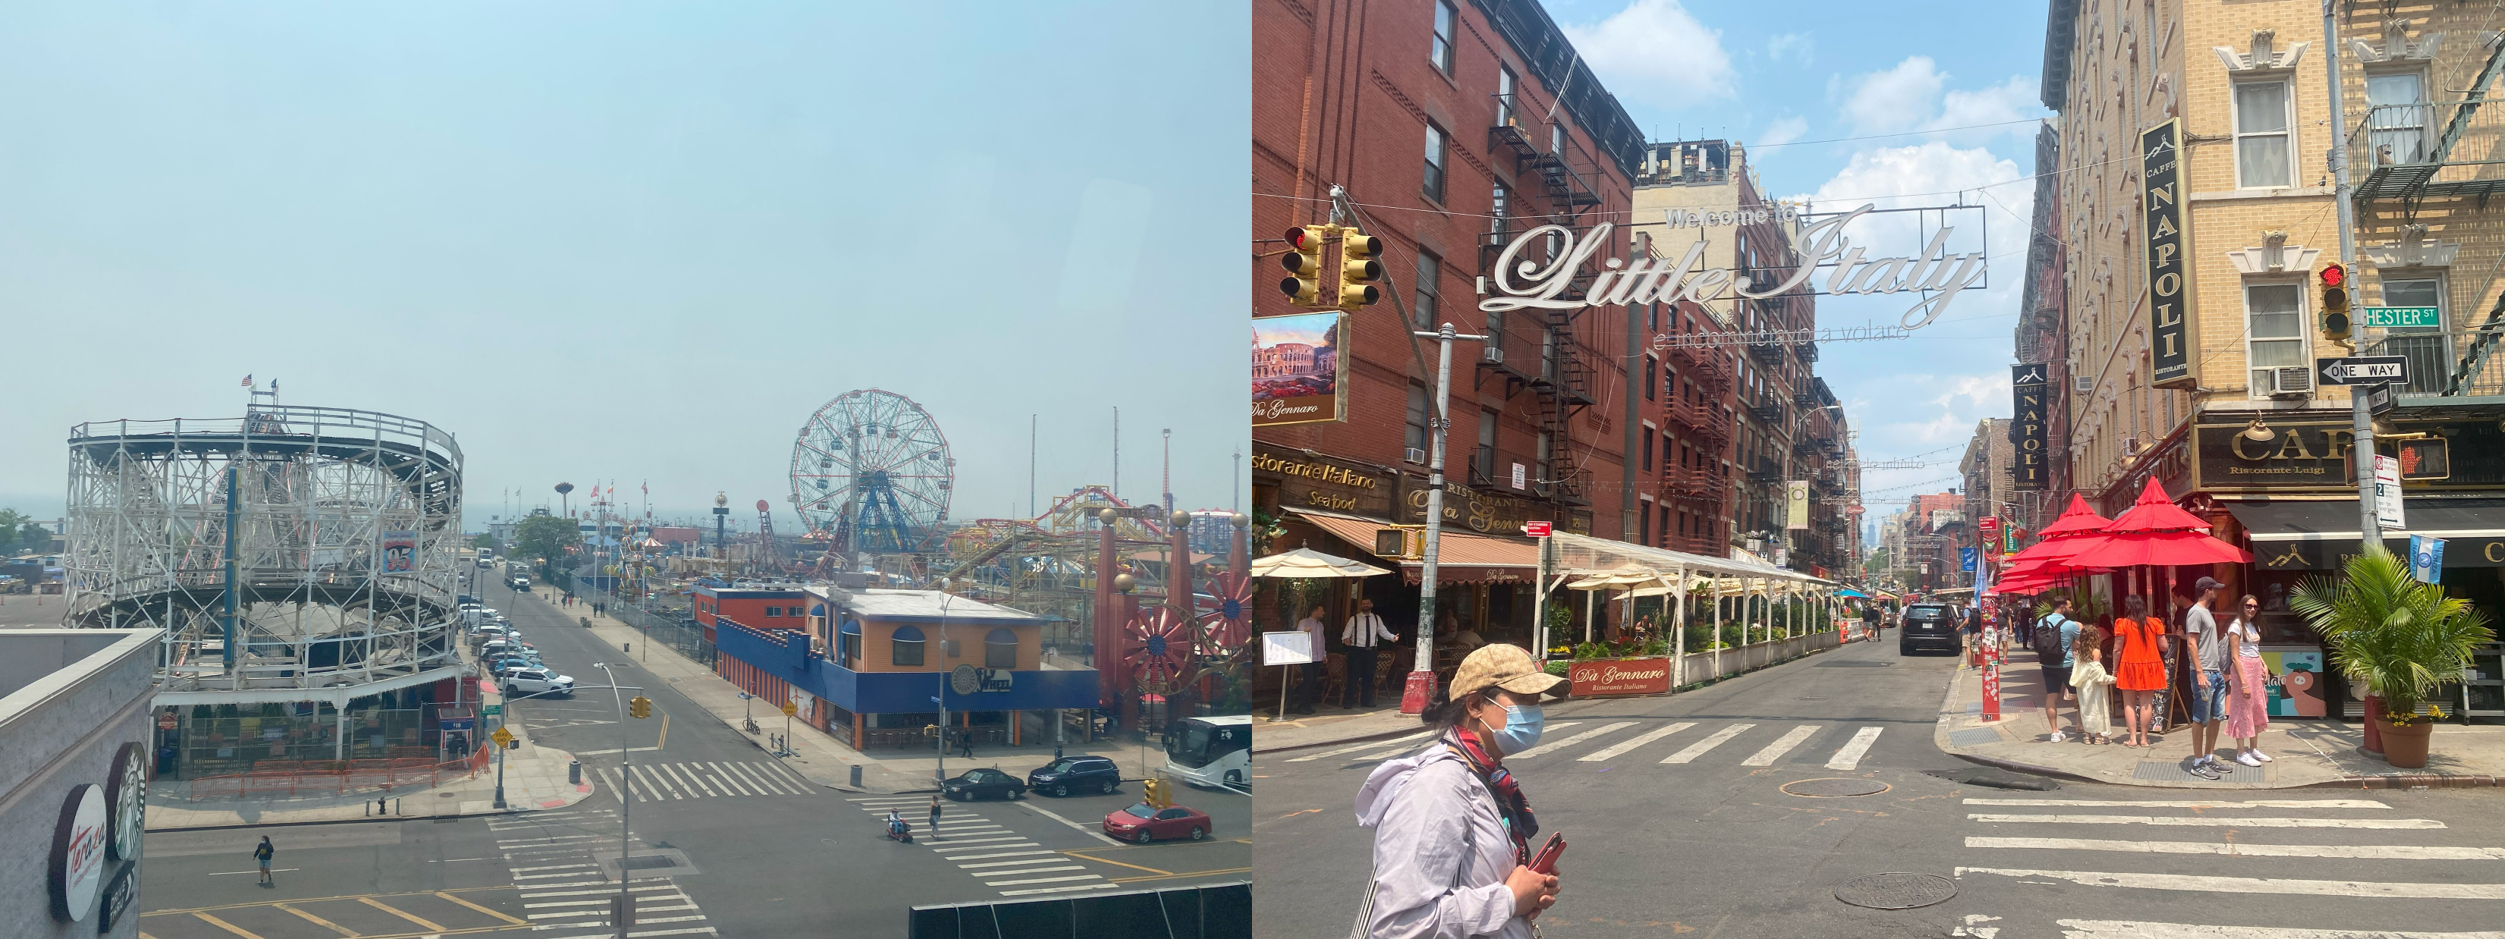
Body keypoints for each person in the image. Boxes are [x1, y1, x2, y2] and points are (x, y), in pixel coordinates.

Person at [1350, 644, 1566, 938]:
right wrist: (1508, 900)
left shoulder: (1486, 776)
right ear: (1475, 705)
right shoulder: (1438, 785)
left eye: (1536, 701)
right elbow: (1399, 926)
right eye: (1523, 699)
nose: (1534, 712)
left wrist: (1526, 890)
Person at [2180, 577, 2230, 779]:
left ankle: (2209, 757)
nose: (2217, 592)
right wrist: (2199, 671)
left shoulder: (2205, 612)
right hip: (2204, 672)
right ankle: (2198, 761)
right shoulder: (2196, 612)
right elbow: (2191, 643)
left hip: (2214, 671)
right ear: (2207, 590)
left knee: (2217, 716)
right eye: (2215, 589)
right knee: (2200, 717)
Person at [2224, 594, 2274, 766]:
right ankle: (2240, 752)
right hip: (2242, 670)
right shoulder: (2235, 627)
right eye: (2248, 606)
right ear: (2242, 607)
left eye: (2255, 606)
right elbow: (2235, 657)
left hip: (2255, 667)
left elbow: (2255, 648)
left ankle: (2253, 748)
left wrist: (2263, 664)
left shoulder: (2253, 625)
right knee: (2242, 709)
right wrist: (2244, 683)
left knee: (2256, 707)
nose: (2252, 609)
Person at [2112, 596, 2168, 749]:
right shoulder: (2154, 623)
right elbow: (2164, 646)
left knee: (2129, 703)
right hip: (2151, 665)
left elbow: (2117, 649)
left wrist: (2114, 670)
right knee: (2146, 703)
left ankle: (2132, 738)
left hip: (2128, 665)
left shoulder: (2122, 623)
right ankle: (2144, 738)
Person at [1342, 599, 1396, 709]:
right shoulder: (1354, 619)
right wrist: (1345, 639)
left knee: (1369, 677)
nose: (1365, 605)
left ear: (1371, 605)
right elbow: (1346, 633)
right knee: (1353, 677)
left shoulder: (1376, 618)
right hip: (1357, 651)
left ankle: (1366, 701)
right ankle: (1348, 701)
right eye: (1363, 604)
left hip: (1371, 651)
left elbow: (1383, 631)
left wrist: (1392, 637)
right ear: (1361, 605)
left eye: (1367, 603)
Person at [2037, 599, 2078, 741]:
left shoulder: (2041, 622)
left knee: (2051, 696)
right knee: (2080, 694)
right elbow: (2083, 641)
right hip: (2066, 665)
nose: (2071, 610)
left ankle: (2054, 732)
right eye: (2070, 607)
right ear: (2062, 607)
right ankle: (2084, 726)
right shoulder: (2069, 625)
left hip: (2047, 664)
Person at [2069, 621, 2115, 745]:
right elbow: (2097, 672)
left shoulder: (2080, 653)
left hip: (2083, 685)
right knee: (2097, 709)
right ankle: (2098, 736)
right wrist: (2113, 679)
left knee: (2086, 709)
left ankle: (2087, 736)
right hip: (2095, 686)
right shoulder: (2096, 652)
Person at [1294, 604, 1329, 714]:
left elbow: (1322, 641)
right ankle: (1301, 704)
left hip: (1317, 657)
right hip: (1306, 656)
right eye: (1321, 610)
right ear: (1315, 611)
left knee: (1313, 681)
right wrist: (1304, 630)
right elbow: (1298, 632)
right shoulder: (1304, 622)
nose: (1323, 613)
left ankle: (1307, 704)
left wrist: (1324, 654)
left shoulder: (1321, 625)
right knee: (1308, 680)